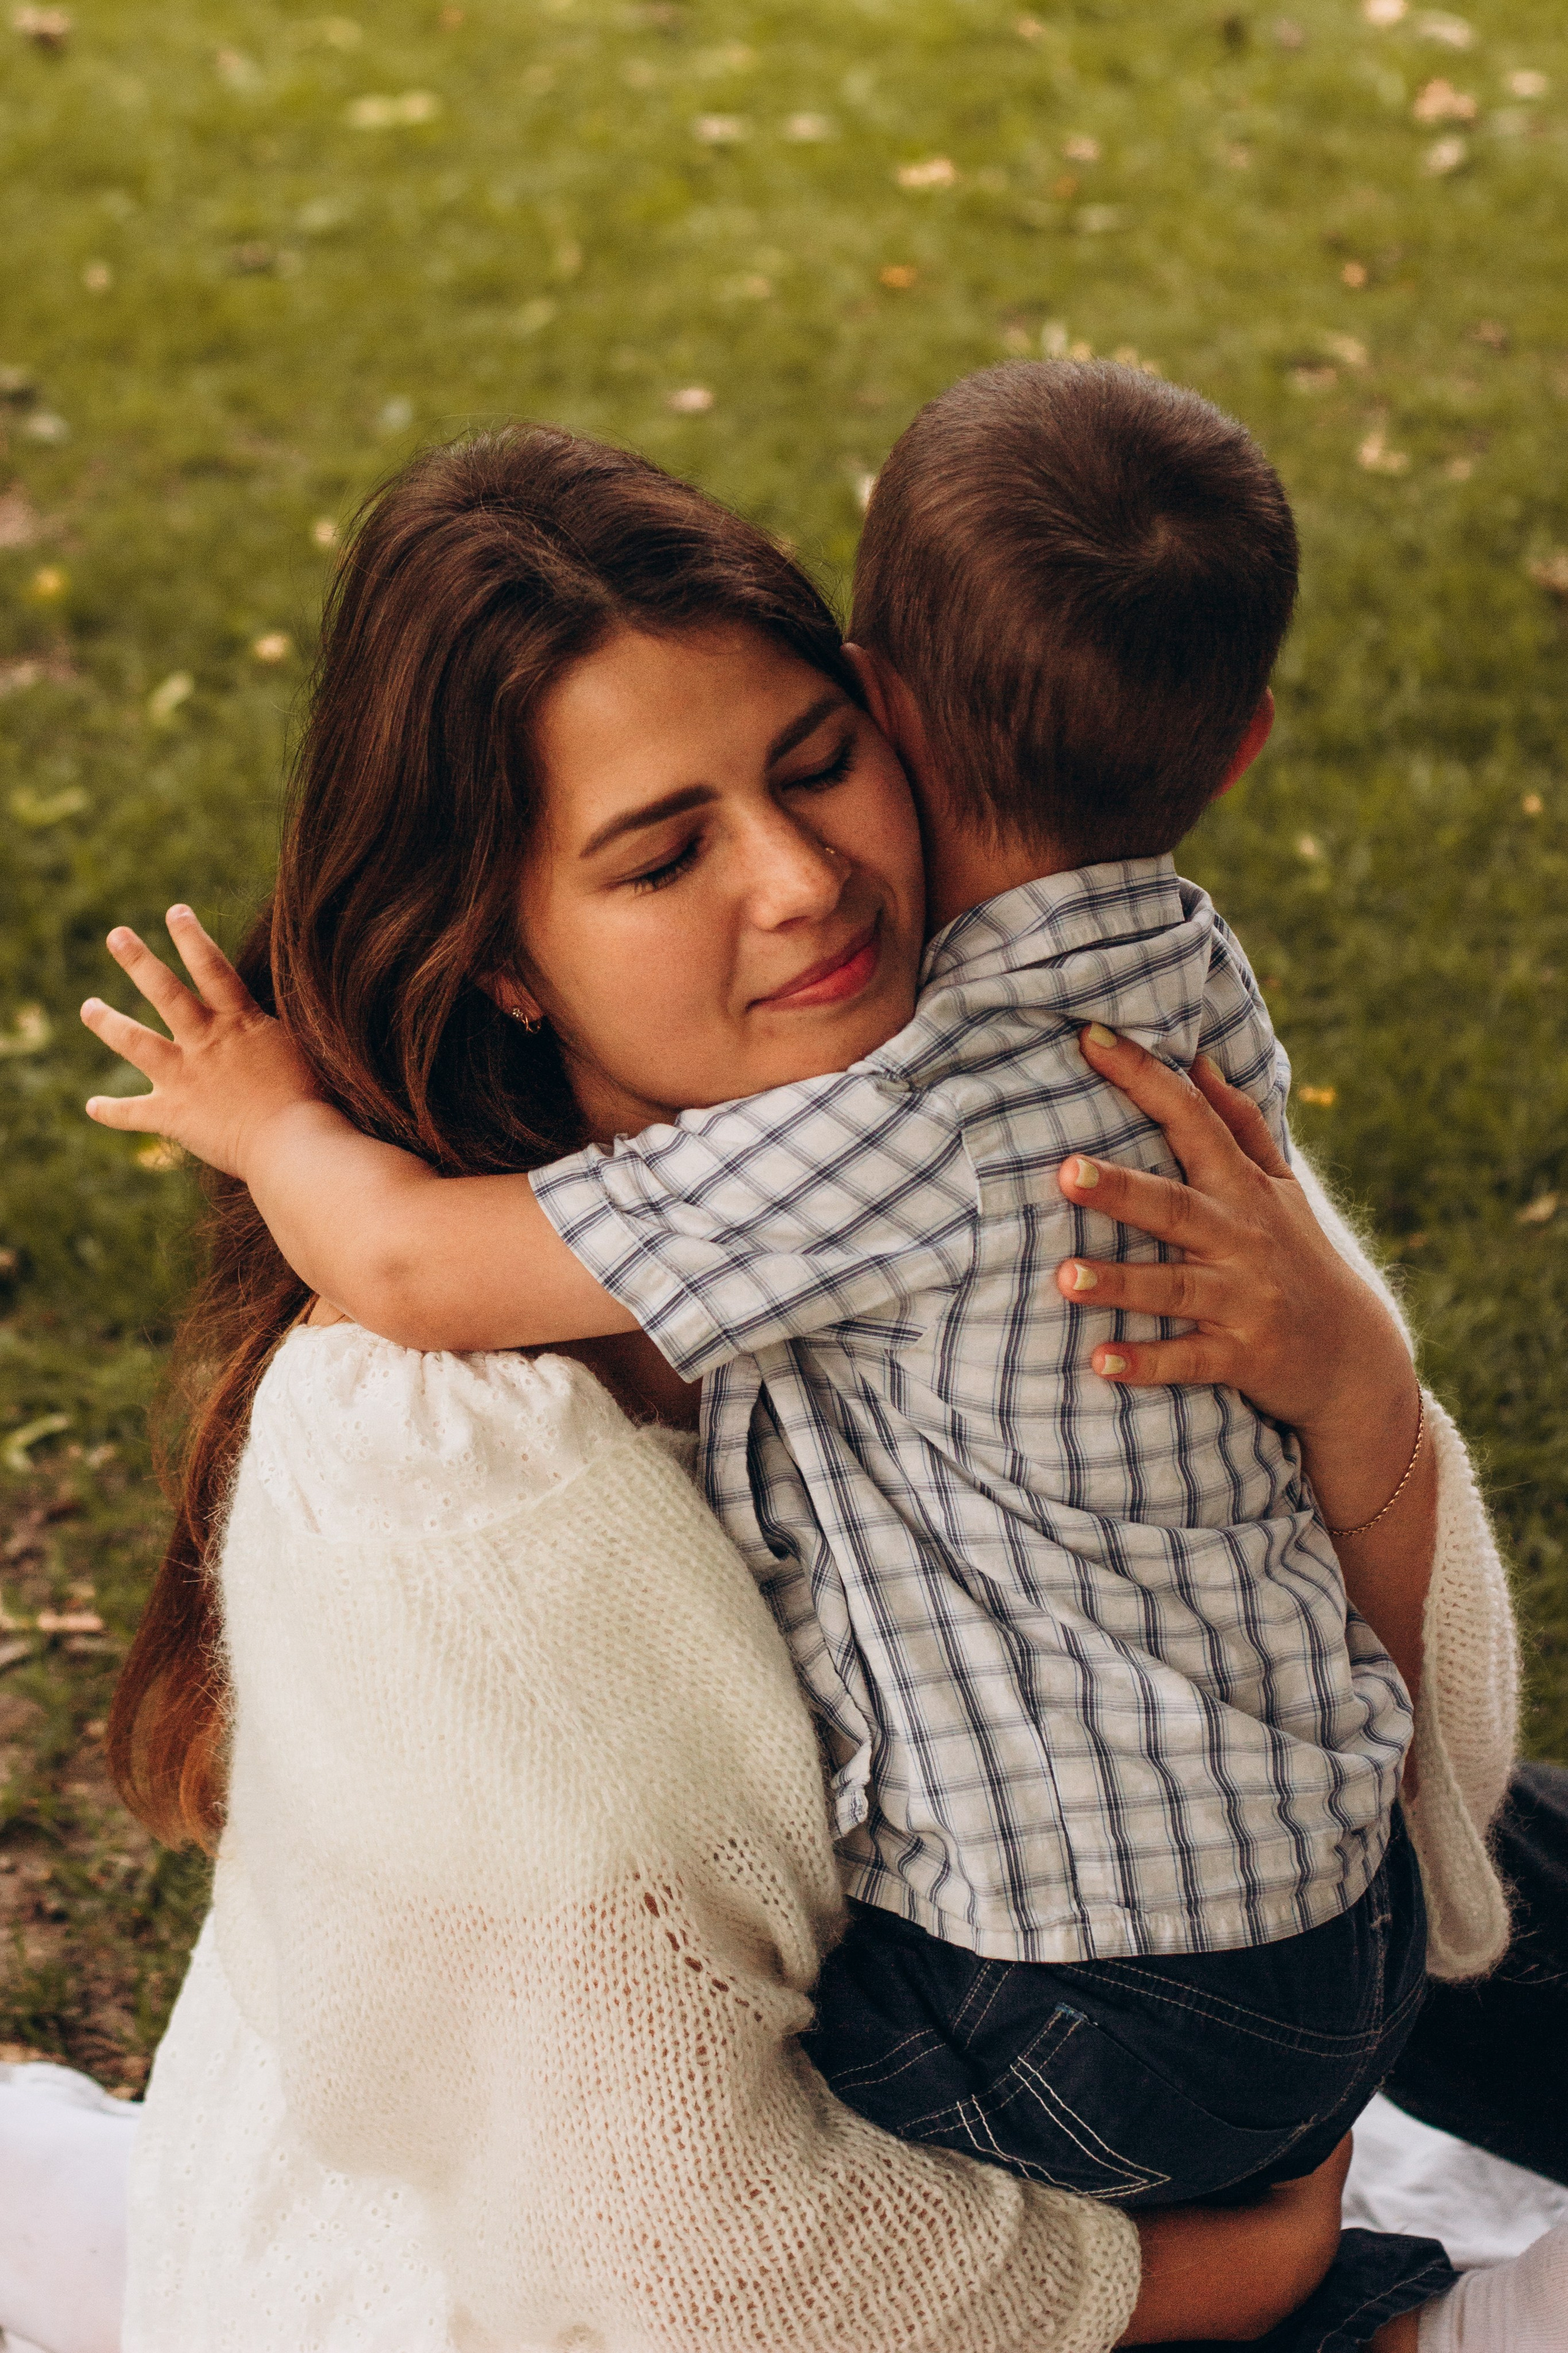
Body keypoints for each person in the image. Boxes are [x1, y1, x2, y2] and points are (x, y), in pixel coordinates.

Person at [75, 421, 1528, 2347]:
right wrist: (1226, 2269)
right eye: (665, 853)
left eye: (820, 761)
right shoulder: (441, 1454)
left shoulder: (1062, 1095)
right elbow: (696, 2255)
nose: (805, 880)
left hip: (1089, 2092)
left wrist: (1353, 1386)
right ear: (502, 955)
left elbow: (1447, 1758)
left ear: (897, 711)